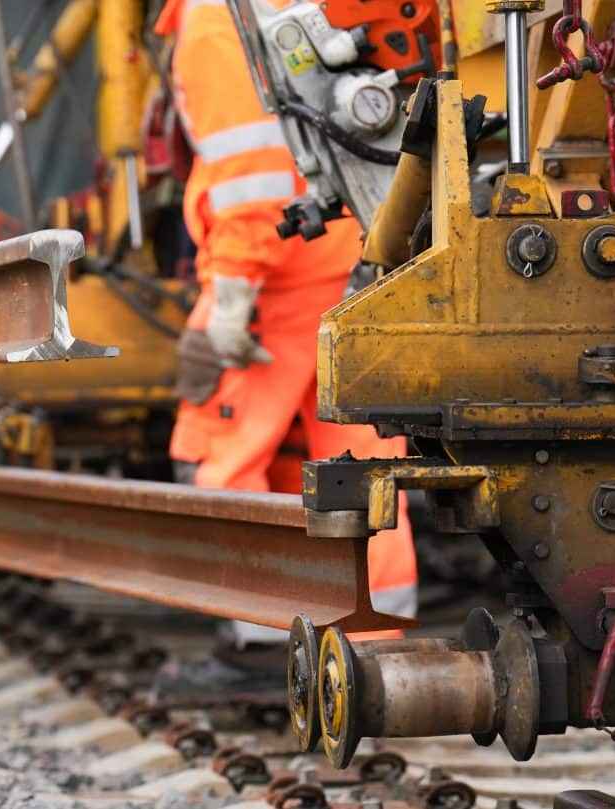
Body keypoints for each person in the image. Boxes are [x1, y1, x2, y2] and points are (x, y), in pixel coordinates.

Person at [151, 0, 419, 702]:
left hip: (274, 267)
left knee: (218, 448)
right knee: (356, 460)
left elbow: (252, 174)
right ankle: (368, 649)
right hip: (351, 249)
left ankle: (260, 646)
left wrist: (232, 290)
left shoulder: (213, 19)